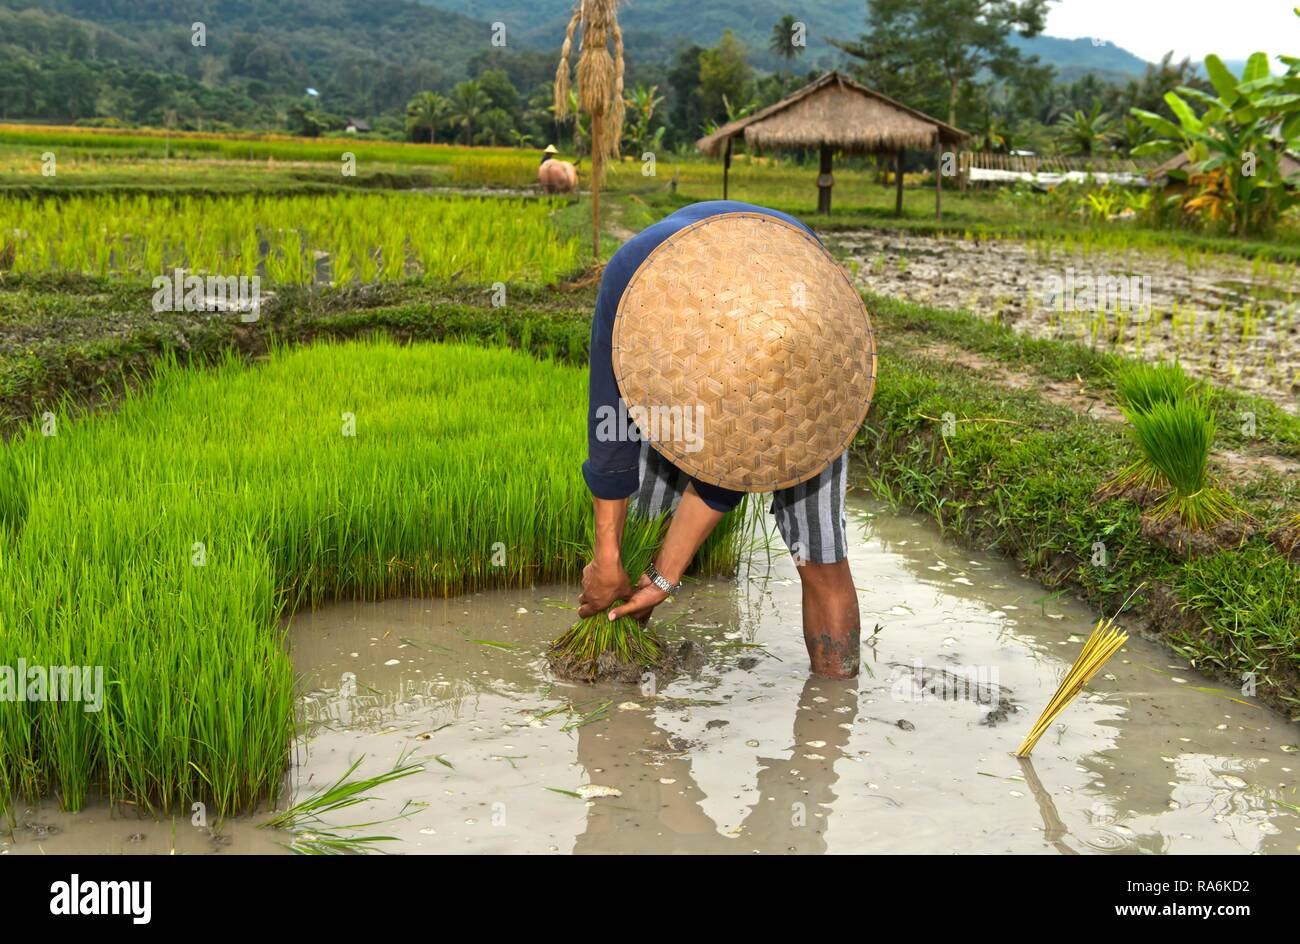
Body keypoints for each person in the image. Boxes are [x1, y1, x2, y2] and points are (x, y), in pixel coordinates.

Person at [576, 200, 876, 679]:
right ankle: (623, 664)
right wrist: (609, 557)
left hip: (806, 354)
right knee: (644, 536)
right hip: (711, 335)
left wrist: (666, 576)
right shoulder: (633, 281)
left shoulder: (794, 344)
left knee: (820, 560)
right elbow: (611, 430)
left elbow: (729, 473)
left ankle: (836, 696)